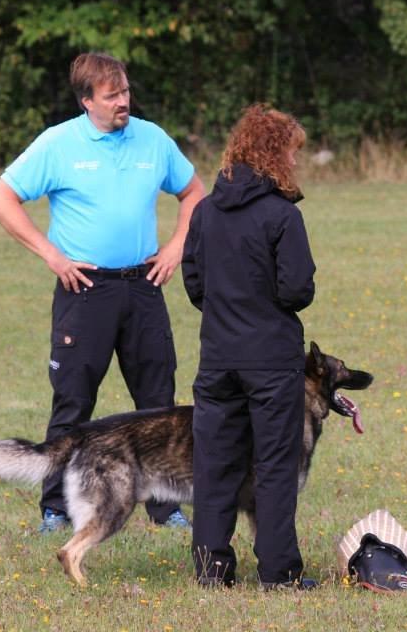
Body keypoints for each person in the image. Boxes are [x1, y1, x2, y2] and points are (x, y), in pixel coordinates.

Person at [0, 52, 204, 533]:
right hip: (84, 289)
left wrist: (174, 249)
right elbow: (0, 198)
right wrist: (52, 255)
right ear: (87, 101)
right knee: (73, 399)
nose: (124, 101)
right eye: (112, 96)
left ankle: (165, 507)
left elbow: (194, 194)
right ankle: (56, 508)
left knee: (158, 401)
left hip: (143, 286)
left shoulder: (153, 139)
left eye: (125, 91)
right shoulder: (58, 144)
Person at [181, 104, 316, 589]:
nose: (297, 163)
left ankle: (212, 570)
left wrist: (228, 309)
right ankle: (279, 574)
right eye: (293, 153)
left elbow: (194, 284)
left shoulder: (204, 213)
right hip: (272, 361)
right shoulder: (282, 216)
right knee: (275, 466)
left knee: (214, 466)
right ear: (275, 154)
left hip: (217, 359)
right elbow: (297, 290)